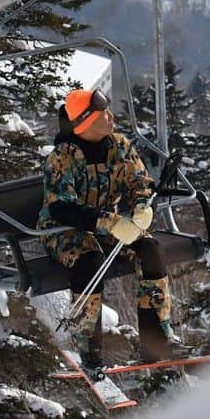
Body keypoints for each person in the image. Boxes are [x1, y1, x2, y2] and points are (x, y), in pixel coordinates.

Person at [38, 88, 186, 371]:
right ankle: (89, 351)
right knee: (89, 263)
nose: (110, 117)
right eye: (102, 114)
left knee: (150, 250)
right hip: (64, 232)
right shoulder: (62, 158)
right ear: (85, 123)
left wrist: (142, 207)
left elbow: (139, 182)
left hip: (111, 228)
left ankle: (157, 340)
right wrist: (112, 222)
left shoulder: (119, 146)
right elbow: (61, 207)